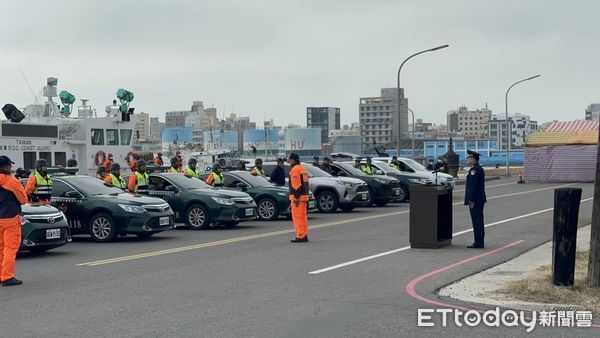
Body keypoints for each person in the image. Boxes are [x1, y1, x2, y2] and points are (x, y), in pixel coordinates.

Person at [0, 156, 27, 286]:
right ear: (6, 167)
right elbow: (23, 199)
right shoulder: (12, 182)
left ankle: (1, 274)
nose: (11, 168)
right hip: (10, 218)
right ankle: (7, 277)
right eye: (9, 165)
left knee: (0, 248)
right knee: (10, 248)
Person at [464, 150, 487, 249]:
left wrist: (471, 200)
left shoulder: (474, 170)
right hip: (479, 199)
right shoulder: (478, 169)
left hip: (475, 200)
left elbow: (473, 187)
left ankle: (478, 242)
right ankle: (479, 241)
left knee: (477, 221)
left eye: (469, 158)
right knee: (479, 221)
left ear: (473, 159)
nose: (468, 159)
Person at [288, 153, 309, 243]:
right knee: (303, 217)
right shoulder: (302, 169)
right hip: (304, 197)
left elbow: (296, 185)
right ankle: (304, 234)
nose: (288, 161)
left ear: (293, 160)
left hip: (298, 198)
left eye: (289, 159)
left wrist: (296, 198)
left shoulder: (295, 170)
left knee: (297, 217)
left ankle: (300, 235)